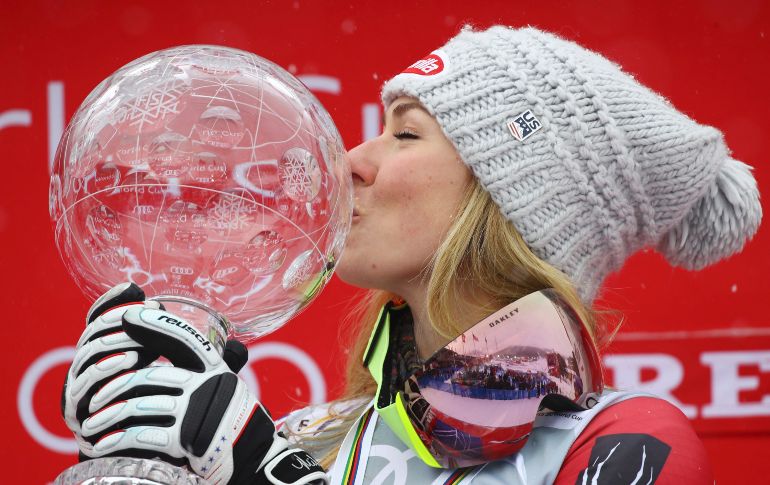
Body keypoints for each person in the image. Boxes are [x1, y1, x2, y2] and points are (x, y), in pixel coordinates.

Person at [62, 25, 761, 484]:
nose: (350, 162)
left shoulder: (626, 438)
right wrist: (137, 464)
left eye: (405, 135)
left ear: (504, 200)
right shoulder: (301, 438)